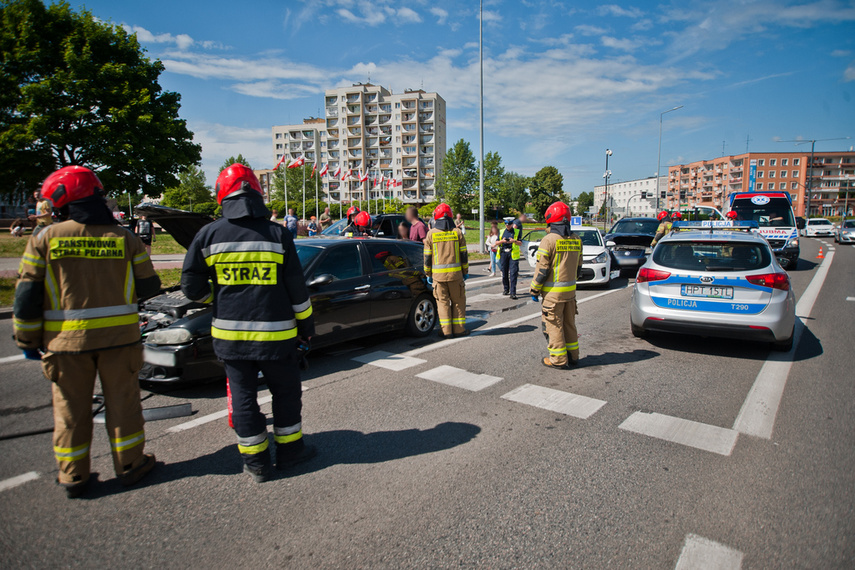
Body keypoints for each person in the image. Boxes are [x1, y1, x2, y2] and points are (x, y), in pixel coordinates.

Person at [13, 166, 161, 498]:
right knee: (124, 406)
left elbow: (26, 298)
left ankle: (73, 475)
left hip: (66, 343)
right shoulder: (125, 237)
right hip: (120, 341)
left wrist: (27, 339)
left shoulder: (45, 238)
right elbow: (150, 286)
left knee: (69, 411)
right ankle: (131, 465)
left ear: (63, 199)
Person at [181, 164, 316, 482]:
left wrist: (217, 298)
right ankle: (290, 452)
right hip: (277, 336)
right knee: (285, 393)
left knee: (242, 397)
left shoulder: (209, 234)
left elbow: (190, 287)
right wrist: (307, 327)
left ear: (223, 196)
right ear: (257, 193)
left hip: (231, 338)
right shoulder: (278, 234)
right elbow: (297, 289)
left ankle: (256, 462)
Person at [530, 201, 583, 369]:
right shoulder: (576, 239)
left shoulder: (549, 240)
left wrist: (534, 289)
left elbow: (542, 270)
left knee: (553, 325)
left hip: (552, 295)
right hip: (570, 293)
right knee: (569, 324)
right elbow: (579, 268)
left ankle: (558, 360)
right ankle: (573, 356)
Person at [424, 203, 469, 338]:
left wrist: (428, 274)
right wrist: (465, 272)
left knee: (442, 304)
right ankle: (459, 330)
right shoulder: (457, 233)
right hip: (456, 276)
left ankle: (446, 332)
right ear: (450, 216)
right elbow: (464, 256)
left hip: (438, 278)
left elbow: (427, 257)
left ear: (436, 217)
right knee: (458, 302)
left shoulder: (431, 234)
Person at [499, 217, 523, 299]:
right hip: (504, 254)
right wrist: (502, 241)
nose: (508, 226)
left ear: (512, 224)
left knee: (513, 274)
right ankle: (506, 289)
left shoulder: (516, 231)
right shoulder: (502, 231)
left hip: (513, 254)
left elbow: (520, 243)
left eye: (509, 224)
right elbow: (496, 242)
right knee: (504, 273)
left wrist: (514, 241)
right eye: (506, 224)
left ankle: (513, 292)